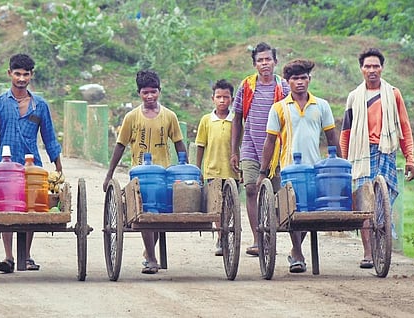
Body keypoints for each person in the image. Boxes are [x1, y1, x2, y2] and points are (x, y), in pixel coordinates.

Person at [0, 53, 63, 273]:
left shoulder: (40, 106)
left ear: (32, 75)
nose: (21, 78)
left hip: (34, 166)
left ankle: (26, 255)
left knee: (31, 210)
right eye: (18, 73)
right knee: (6, 209)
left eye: (26, 74)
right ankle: (9, 257)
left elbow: (49, 137)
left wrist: (58, 167)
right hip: (5, 166)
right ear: (9, 73)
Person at [256, 59, 340, 273]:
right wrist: (263, 172)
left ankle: (295, 251)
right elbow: (270, 141)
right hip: (288, 169)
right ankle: (298, 253)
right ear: (287, 82)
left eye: (304, 78)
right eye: (295, 78)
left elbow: (332, 136)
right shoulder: (279, 108)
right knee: (294, 210)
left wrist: (339, 165)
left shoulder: (321, 105)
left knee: (309, 212)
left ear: (309, 79)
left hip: (315, 170)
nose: (300, 82)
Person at [103, 69, 187, 274]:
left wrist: (185, 172)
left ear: (159, 91)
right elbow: (120, 145)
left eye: (153, 92)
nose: (150, 96)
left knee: (158, 214)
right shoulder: (132, 117)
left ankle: (149, 252)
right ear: (139, 93)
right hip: (140, 176)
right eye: (145, 92)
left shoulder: (169, 116)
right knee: (146, 213)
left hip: (164, 174)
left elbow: (179, 144)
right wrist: (109, 174)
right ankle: (151, 256)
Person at [340, 48, 414, 269]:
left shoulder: (393, 94)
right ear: (361, 69)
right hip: (362, 155)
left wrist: (410, 157)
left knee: (383, 203)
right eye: (367, 66)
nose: (372, 70)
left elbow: (404, 127)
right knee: (365, 204)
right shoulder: (354, 97)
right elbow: (346, 133)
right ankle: (368, 253)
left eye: (376, 66)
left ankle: (381, 247)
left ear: (382, 68)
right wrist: (344, 164)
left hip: (387, 154)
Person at [230, 42, 290, 256]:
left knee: (278, 193)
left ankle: (274, 232)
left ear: (275, 62)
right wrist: (234, 151)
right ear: (255, 64)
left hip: (277, 150)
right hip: (250, 146)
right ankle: (257, 238)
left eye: (268, 59)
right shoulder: (246, 86)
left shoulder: (284, 87)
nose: (265, 64)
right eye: (260, 60)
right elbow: (237, 119)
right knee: (251, 188)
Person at [195, 79, 239, 256]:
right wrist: (197, 169)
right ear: (213, 98)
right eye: (219, 97)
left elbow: (241, 145)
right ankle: (221, 237)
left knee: (230, 207)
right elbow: (200, 145)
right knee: (216, 207)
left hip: (232, 172)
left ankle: (228, 234)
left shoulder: (236, 120)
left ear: (232, 99)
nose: (222, 100)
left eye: (226, 97)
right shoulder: (207, 120)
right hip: (212, 171)